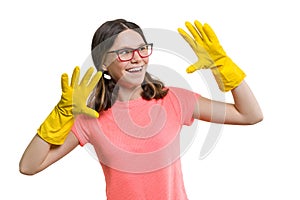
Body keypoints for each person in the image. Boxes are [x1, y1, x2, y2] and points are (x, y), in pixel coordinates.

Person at [19, 19, 263, 199]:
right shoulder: (90, 117)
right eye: (125, 52)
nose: (137, 58)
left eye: (142, 49)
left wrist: (223, 67)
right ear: (104, 61)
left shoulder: (174, 99)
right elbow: (29, 166)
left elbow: (250, 114)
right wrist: (60, 114)